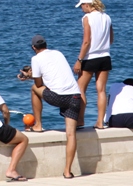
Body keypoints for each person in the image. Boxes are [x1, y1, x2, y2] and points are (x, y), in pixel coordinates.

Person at [28, 35, 83, 179]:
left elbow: (39, 85)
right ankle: (67, 171)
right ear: (46, 44)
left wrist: (30, 77)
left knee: (33, 88)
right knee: (71, 135)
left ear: (34, 48)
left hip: (59, 97)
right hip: (75, 97)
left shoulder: (35, 59)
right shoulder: (58, 53)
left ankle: (38, 125)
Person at [72, 0, 113, 129]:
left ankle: (80, 120)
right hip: (105, 56)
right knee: (101, 90)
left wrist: (79, 60)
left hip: (90, 57)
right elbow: (111, 39)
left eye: (82, 6)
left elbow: (86, 41)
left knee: (80, 89)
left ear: (87, 5)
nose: (82, 9)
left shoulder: (87, 18)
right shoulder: (107, 17)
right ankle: (100, 122)